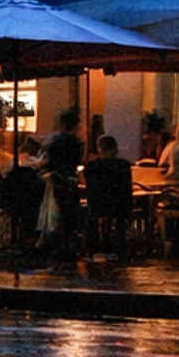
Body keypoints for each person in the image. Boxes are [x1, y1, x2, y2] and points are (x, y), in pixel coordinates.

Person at [40, 106, 84, 256]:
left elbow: (47, 161)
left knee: (55, 210)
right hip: (70, 179)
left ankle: (54, 241)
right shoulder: (77, 143)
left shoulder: (53, 141)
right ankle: (69, 240)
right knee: (70, 211)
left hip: (55, 179)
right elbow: (78, 160)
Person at [83, 134, 133, 259]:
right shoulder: (124, 164)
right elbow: (127, 186)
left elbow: (88, 184)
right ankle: (120, 245)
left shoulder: (92, 165)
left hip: (98, 203)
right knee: (119, 218)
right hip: (119, 204)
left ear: (100, 148)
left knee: (91, 216)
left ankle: (93, 246)